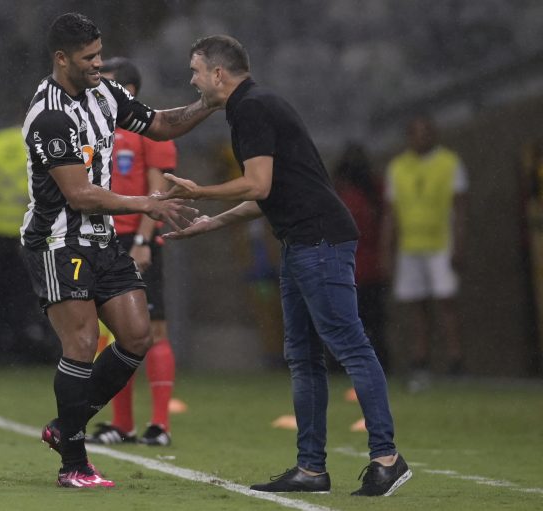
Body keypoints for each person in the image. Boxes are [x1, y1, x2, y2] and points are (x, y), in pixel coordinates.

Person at [159, 35, 411, 497]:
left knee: (349, 345)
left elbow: (257, 184)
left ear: (219, 74)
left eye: (196, 71)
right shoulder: (254, 106)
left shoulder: (251, 107)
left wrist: (197, 192)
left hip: (320, 240)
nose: (192, 80)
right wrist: (210, 223)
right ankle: (311, 469)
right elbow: (270, 194)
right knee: (303, 357)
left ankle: (387, 458)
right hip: (302, 241)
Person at [25, 13, 215, 488]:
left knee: (136, 335)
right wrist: (145, 203)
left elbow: (161, 124)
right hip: (58, 239)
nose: (98, 64)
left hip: (101, 240)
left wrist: (209, 103)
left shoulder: (106, 94)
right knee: (83, 343)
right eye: (88, 58)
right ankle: (73, 462)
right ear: (61, 58)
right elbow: (79, 194)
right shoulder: (48, 115)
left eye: (100, 54)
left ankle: (65, 426)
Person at [84, 57, 177, 448]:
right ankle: (122, 425)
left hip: (135, 241)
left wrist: (143, 240)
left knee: (152, 330)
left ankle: (158, 426)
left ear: (128, 91)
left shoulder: (150, 131)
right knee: (114, 333)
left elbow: (157, 191)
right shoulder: (91, 128)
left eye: (103, 81)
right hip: (100, 240)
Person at [380, 115, 468, 391]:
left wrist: (459, 244)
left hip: (441, 243)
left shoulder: (449, 163)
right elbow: (390, 213)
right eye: (416, 133)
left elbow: (461, 208)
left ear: (434, 134)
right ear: (409, 137)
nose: (422, 138)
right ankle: (421, 361)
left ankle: (455, 361)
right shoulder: (397, 167)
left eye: (426, 132)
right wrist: (386, 248)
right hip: (410, 247)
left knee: (446, 302)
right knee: (416, 306)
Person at [0, 125, 56, 364]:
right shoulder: (47, 140)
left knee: (0, 294)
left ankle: (1, 349)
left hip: (0, 231)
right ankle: (30, 348)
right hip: (35, 231)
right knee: (33, 294)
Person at [333, 142, 389, 371]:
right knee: (368, 324)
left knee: (352, 324)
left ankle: (352, 367)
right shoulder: (369, 192)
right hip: (359, 269)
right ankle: (372, 366)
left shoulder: (352, 193)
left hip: (357, 269)